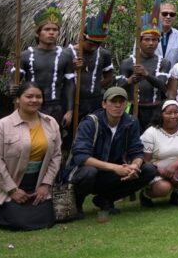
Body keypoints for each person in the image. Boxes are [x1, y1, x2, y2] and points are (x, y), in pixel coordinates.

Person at [68, 87, 158, 220]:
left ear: (126, 104)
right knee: (89, 172)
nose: (118, 105)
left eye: (121, 102)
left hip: (113, 172)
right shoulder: (90, 122)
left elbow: (137, 151)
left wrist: (134, 165)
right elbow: (81, 157)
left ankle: (105, 199)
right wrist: (115, 168)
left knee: (149, 170)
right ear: (104, 104)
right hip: (86, 172)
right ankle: (77, 204)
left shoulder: (131, 122)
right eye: (113, 101)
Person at [0, 82, 61, 230]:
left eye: (38, 97)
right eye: (29, 96)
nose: (34, 100)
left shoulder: (51, 123)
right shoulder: (1, 127)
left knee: (48, 219)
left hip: (38, 183)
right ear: (18, 99)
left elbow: (56, 156)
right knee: (19, 222)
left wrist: (46, 184)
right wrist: (12, 190)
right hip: (11, 182)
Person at [16, 4, 74, 127]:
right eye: (47, 29)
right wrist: (12, 86)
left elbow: (70, 84)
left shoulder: (65, 55)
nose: (51, 33)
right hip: (31, 104)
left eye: (55, 30)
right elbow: (14, 81)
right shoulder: (25, 55)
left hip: (56, 106)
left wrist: (69, 110)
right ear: (38, 33)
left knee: (53, 141)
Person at [117, 13, 173, 131]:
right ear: (139, 41)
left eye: (154, 40)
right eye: (147, 40)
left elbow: (163, 86)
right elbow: (118, 87)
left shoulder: (164, 63)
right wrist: (129, 81)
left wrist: (146, 74)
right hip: (134, 109)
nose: (151, 43)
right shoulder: (127, 63)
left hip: (156, 109)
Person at [139, 100, 178, 206]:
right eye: (168, 113)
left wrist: (173, 167)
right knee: (164, 188)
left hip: (177, 169)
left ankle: (177, 195)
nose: (173, 116)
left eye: (176, 112)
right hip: (156, 171)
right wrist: (163, 172)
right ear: (161, 115)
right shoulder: (151, 132)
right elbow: (145, 161)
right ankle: (145, 195)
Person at [74, 1, 115, 128]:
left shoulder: (104, 54)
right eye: (91, 44)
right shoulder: (68, 53)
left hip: (95, 101)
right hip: (74, 101)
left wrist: (95, 87)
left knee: (94, 130)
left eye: (98, 44)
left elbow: (109, 77)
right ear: (83, 38)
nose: (94, 47)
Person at [158, 1, 178, 67]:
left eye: (172, 14)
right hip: (148, 75)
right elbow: (136, 58)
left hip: (172, 76)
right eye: (164, 13)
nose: (168, 16)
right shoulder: (145, 34)